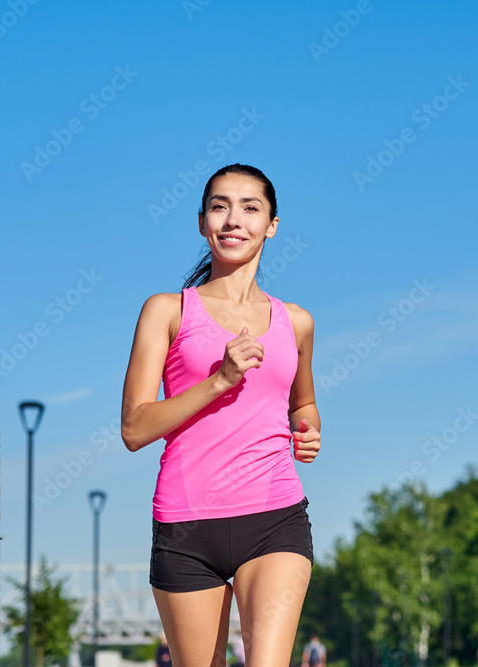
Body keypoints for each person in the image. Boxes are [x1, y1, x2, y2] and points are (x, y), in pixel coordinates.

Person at [122, 163, 322, 667]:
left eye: (250, 208)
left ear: (271, 225)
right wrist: (218, 382)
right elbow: (134, 428)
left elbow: (303, 402)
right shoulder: (166, 311)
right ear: (201, 222)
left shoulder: (295, 322)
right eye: (219, 206)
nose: (233, 220)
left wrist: (309, 429)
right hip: (186, 527)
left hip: (274, 517)